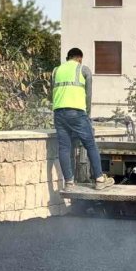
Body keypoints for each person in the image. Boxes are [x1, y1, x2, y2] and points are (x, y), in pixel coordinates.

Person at [51, 48, 114, 190]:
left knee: (64, 148)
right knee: (90, 144)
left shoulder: (56, 71)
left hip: (59, 113)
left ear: (68, 58)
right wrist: (88, 116)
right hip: (77, 113)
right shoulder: (83, 69)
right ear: (79, 58)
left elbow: (52, 93)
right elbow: (88, 95)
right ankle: (99, 179)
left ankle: (68, 183)